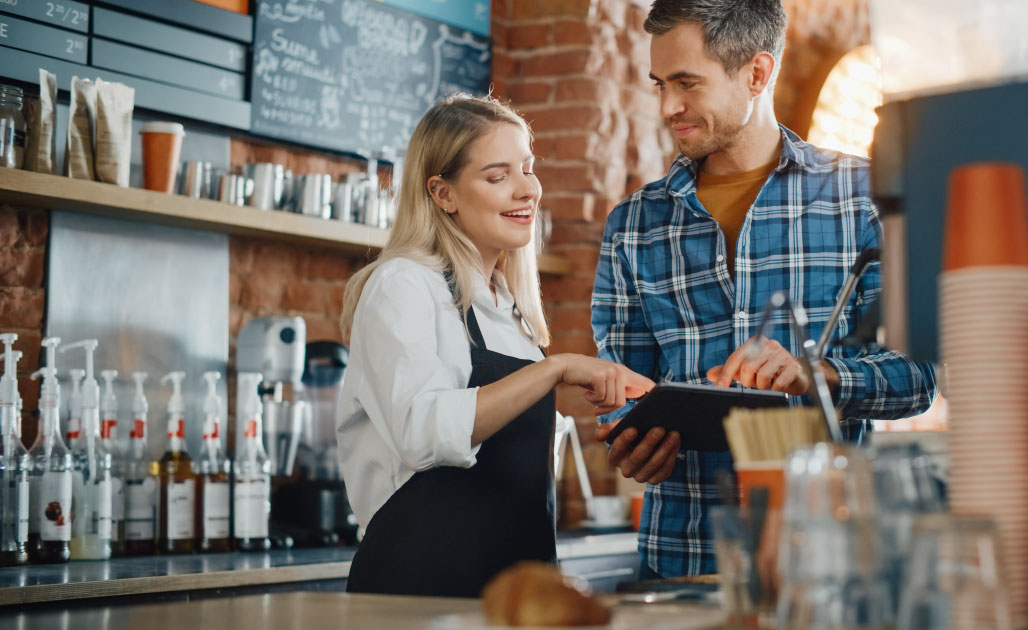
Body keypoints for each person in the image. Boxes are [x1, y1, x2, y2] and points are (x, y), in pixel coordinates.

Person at [590, 0, 939, 578]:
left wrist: (817, 373)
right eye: (659, 85)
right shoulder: (634, 223)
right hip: (683, 561)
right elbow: (624, 389)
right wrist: (632, 439)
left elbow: (920, 378)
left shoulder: (863, 199)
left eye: (686, 83)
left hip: (832, 562)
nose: (668, 107)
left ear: (757, 72)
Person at [337, 94, 654, 597]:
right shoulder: (403, 285)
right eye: (498, 176)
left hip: (511, 590)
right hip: (419, 592)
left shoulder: (507, 307)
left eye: (527, 168)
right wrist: (557, 370)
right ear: (443, 193)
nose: (527, 189)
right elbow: (423, 433)